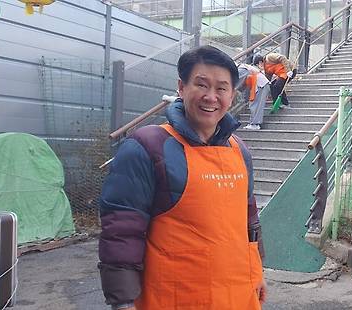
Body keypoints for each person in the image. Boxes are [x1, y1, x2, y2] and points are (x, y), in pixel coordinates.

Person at [98, 46, 266, 310]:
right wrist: (123, 301)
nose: (211, 97)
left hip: (237, 296)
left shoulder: (239, 150)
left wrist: (256, 273)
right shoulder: (148, 146)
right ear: (181, 87)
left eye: (221, 88)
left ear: (232, 95)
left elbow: (249, 220)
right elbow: (122, 229)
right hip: (174, 299)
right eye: (201, 84)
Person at [237, 54, 270, 130]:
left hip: (260, 84)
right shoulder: (244, 68)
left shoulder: (241, 70)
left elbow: (237, 86)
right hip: (260, 84)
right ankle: (253, 123)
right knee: (254, 104)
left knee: (256, 104)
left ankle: (255, 124)